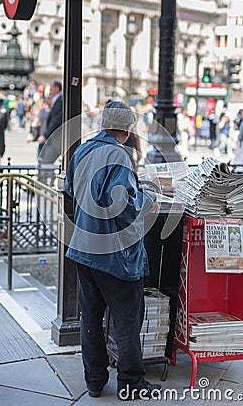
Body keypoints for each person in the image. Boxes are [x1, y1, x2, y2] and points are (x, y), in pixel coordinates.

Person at [64, 101, 161, 401]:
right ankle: (131, 383)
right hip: (114, 254)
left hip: (83, 247)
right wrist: (148, 203)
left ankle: (94, 381)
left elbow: (69, 189)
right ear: (128, 129)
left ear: (104, 123)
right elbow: (123, 205)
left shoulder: (82, 150)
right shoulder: (119, 155)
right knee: (127, 319)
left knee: (91, 317)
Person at [37, 80, 63, 164]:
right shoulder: (58, 99)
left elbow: (56, 120)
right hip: (54, 137)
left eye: (51, 88)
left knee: (46, 162)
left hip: (57, 138)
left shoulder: (60, 100)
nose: (50, 90)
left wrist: (45, 135)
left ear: (57, 88)